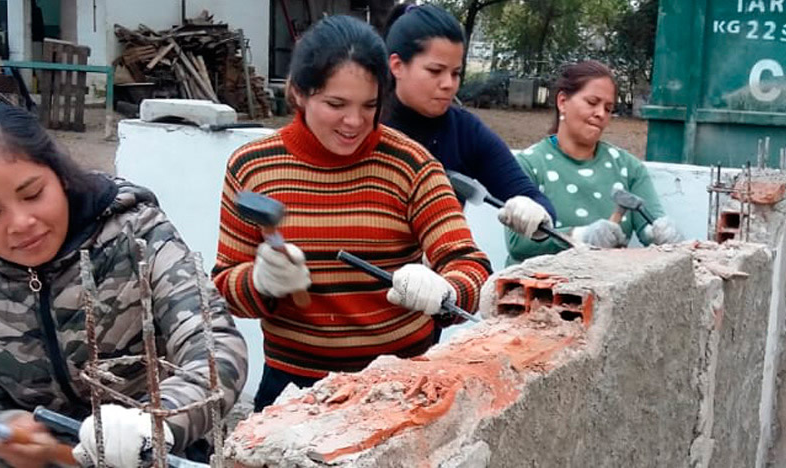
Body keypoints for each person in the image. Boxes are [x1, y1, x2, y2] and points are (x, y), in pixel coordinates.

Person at [0, 101, 248, 468]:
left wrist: (155, 423)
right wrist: (1, 437)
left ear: (60, 175)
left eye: (32, 194)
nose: (20, 222)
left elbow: (216, 350)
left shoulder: (136, 236)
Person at [212, 15, 491, 412]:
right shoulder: (253, 167)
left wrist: (446, 293)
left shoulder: (410, 164)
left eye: (370, 106)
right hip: (294, 390)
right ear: (299, 93)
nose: (354, 122)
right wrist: (260, 283)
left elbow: (471, 265)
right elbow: (224, 287)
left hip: (398, 385)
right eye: (336, 104)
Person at [382, 3, 557, 244]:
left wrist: (537, 216)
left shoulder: (465, 131)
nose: (448, 84)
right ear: (397, 65)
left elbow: (530, 196)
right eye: (435, 71)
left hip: (441, 271)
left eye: (455, 73)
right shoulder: (363, 123)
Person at [506, 60, 684, 265]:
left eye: (608, 108)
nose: (601, 114)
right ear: (562, 101)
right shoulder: (529, 165)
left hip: (606, 289)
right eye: (592, 102)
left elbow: (649, 226)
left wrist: (662, 234)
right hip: (537, 290)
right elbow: (517, 242)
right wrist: (579, 237)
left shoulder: (628, 168)